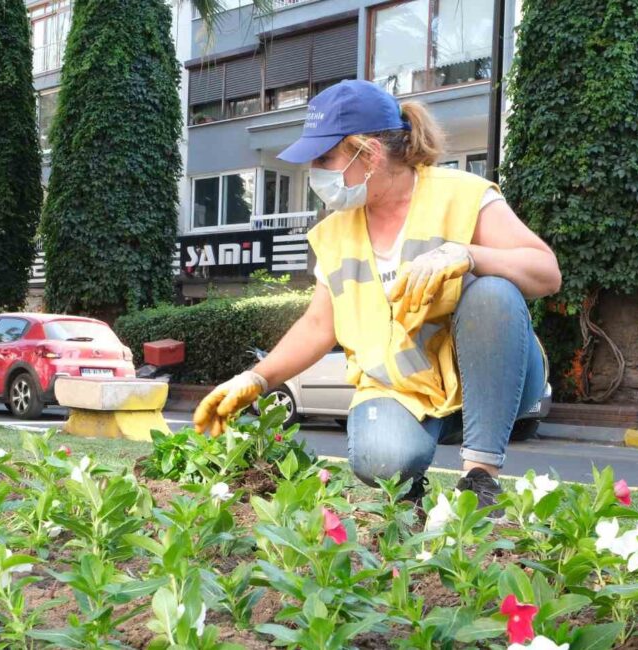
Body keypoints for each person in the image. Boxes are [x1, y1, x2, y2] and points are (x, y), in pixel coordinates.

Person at [192, 80, 561, 509]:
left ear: (369, 154)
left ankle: (479, 481)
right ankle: (409, 495)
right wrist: (255, 379)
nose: (316, 174)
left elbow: (546, 272)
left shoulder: (460, 194)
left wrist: (468, 254)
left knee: (493, 293)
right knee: (378, 459)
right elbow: (317, 324)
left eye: (325, 158)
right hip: (401, 390)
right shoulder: (334, 233)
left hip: (495, 382)